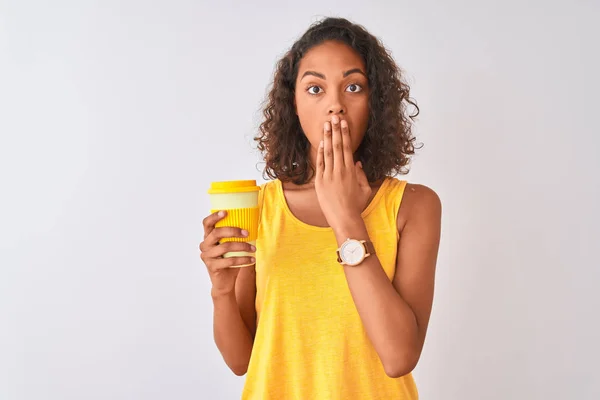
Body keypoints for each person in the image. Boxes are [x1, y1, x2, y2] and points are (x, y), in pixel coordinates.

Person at [199, 17, 442, 400]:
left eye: (353, 87)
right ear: (293, 104)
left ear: (374, 102)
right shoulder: (260, 207)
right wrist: (221, 291)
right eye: (315, 88)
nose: (335, 106)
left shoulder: (413, 205)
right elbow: (241, 360)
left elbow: (399, 357)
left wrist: (345, 218)